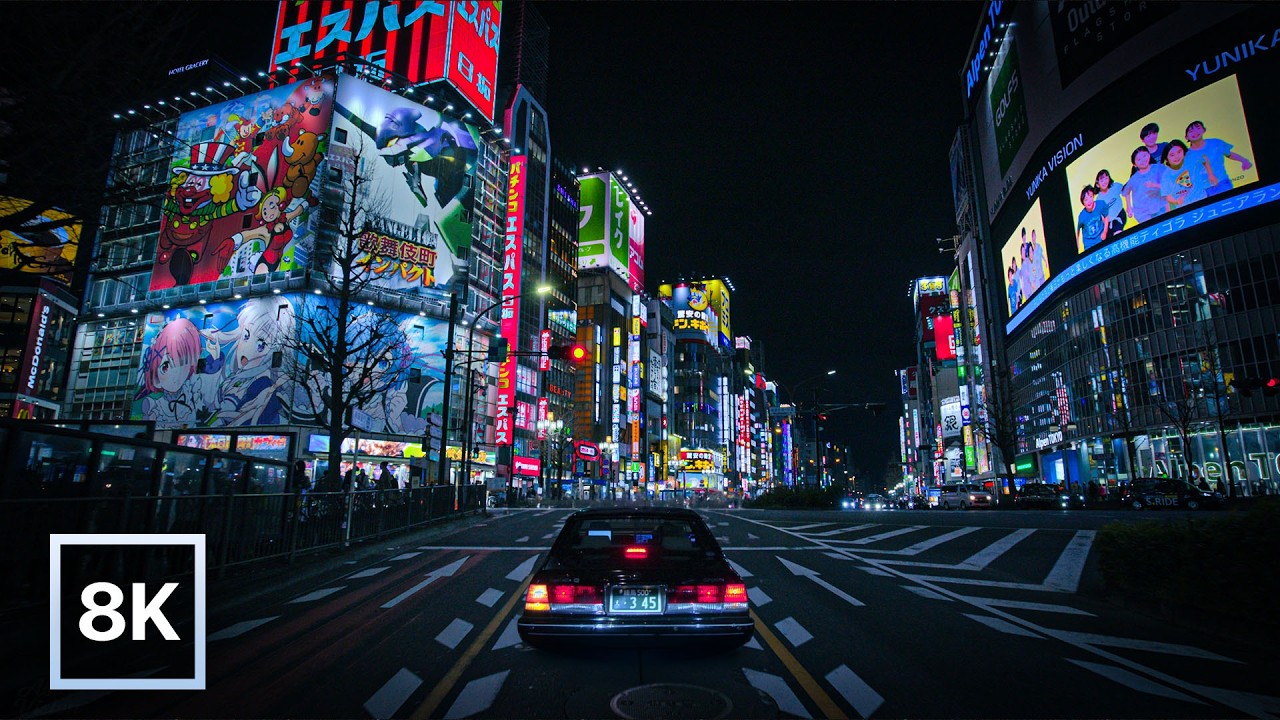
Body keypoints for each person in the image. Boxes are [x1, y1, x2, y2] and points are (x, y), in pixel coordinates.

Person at [1183, 120, 1252, 197]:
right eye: (1191, 131)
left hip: (1222, 183)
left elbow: (1228, 154)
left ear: (1204, 130)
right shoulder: (1186, 155)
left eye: (1198, 128)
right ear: (1186, 137)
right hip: (1201, 190)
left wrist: (1243, 160)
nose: (1195, 132)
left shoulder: (1216, 143)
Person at [1122, 146, 1168, 225]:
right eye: (1139, 159)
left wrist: (1154, 185)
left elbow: (1169, 185)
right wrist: (1128, 207)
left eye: (1144, 156)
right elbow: (1125, 192)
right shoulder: (1134, 178)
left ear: (1149, 155)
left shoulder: (1159, 168)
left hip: (1160, 206)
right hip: (1142, 212)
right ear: (1134, 164)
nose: (1143, 160)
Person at [1161, 139, 1212, 209]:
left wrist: (1211, 174)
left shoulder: (1190, 158)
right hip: (1185, 208)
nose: (1176, 156)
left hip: (1203, 199)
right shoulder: (1166, 176)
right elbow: (1168, 196)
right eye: (1172, 155)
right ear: (1166, 159)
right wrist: (1177, 201)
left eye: (1179, 152)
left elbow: (1204, 158)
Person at [1076, 185, 1110, 251]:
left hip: (1101, 238)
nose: (1089, 201)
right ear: (1083, 202)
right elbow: (1077, 231)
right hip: (1089, 244)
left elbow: (1106, 216)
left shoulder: (1101, 204)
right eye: (1086, 200)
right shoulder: (1082, 216)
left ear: (1093, 196)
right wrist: (1077, 246)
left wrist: (1105, 232)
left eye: (1090, 197)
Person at [1094, 169, 1126, 236]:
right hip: (1107, 222)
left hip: (1119, 215)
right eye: (1102, 180)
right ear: (1097, 184)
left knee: (1117, 233)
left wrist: (1129, 207)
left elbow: (1126, 191)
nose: (1104, 182)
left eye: (1106, 178)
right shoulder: (1098, 199)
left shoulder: (1115, 186)